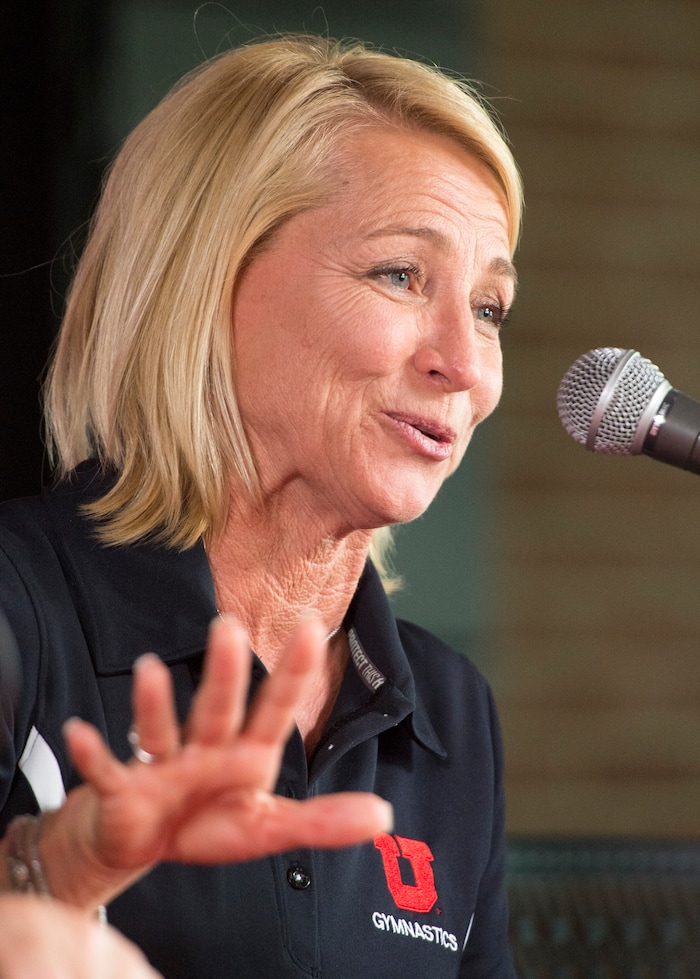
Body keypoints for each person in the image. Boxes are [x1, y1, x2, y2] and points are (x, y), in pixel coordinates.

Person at [0, 33, 521, 978]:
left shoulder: (451, 709)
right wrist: (48, 871)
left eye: (490, 309)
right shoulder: (17, 605)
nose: (468, 363)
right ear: (204, 281)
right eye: (401, 274)